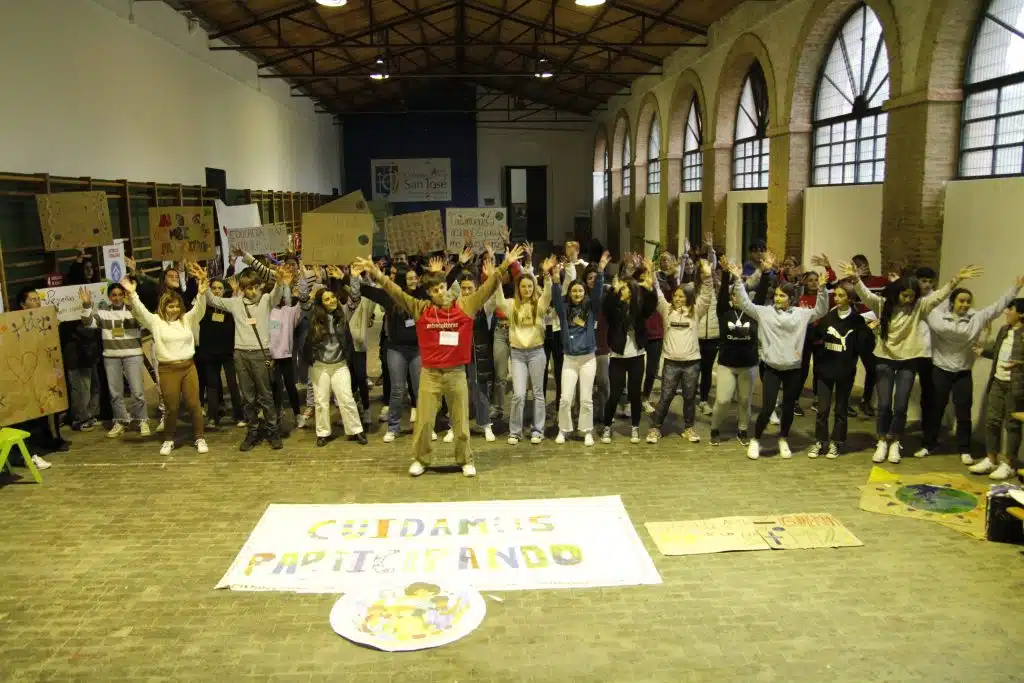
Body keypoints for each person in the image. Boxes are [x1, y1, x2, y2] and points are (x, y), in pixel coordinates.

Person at [353, 246, 524, 478]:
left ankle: (465, 459)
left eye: (442, 287)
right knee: (424, 422)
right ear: (429, 293)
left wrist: (505, 265)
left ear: (446, 286)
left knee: (460, 421)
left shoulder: (465, 305)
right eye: (435, 290)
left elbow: (488, 288)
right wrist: (375, 272)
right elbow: (395, 292)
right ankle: (421, 459)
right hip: (430, 373)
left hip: (456, 373)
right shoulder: (421, 309)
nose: (440, 292)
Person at [843, 261, 981, 464]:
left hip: (908, 361)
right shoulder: (883, 305)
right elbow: (866, 295)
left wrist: (956, 280)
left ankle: (895, 441)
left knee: (900, 406)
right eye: (905, 295)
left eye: (912, 296)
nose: (908, 299)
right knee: (884, 405)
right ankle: (882, 440)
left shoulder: (919, 307)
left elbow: (938, 296)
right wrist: (855, 279)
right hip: (884, 360)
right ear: (897, 292)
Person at [729, 260, 829, 460]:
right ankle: (756, 439)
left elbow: (821, 310)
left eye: (782, 295)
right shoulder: (765, 312)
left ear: (791, 298)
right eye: (776, 295)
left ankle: (783, 438)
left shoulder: (801, 314)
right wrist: (738, 281)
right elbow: (745, 304)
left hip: (793, 369)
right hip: (772, 368)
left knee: (789, 408)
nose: (777, 298)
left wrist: (822, 290)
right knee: (767, 408)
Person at [918, 278, 1022, 462]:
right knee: (935, 410)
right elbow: (922, 305)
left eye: (968, 301)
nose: (965, 304)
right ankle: (928, 444)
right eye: (961, 301)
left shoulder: (976, 318)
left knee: (964, 412)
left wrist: (1016, 287)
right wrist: (952, 282)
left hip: (963, 373)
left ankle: (964, 449)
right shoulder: (937, 317)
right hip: (940, 370)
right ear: (952, 302)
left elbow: (997, 307)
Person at [205, 252, 293, 451]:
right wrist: (203, 286)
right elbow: (213, 301)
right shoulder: (236, 303)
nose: (252, 292)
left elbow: (278, 292)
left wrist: (280, 281)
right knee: (248, 397)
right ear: (242, 289)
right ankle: (252, 431)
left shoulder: (266, 300)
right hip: (241, 355)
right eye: (248, 288)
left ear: (260, 286)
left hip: (261, 354)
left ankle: (272, 430)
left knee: (266, 396)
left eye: (255, 287)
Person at [120, 264, 208, 456]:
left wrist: (201, 294)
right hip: (168, 370)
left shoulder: (186, 319)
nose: (174, 309)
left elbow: (199, 310)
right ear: (164, 307)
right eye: (170, 306)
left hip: (188, 367)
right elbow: (141, 311)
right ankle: (168, 439)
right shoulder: (156, 322)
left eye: (176, 306)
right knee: (171, 408)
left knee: (194, 405)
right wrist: (133, 294)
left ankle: (199, 437)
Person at [646, 258, 713, 444]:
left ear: (689, 298)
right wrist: (652, 273)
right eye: (676, 296)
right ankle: (655, 428)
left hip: (692, 363)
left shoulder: (696, 311)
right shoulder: (667, 310)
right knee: (666, 396)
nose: (677, 299)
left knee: (689, 397)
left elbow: (706, 296)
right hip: (671, 362)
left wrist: (707, 277)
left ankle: (688, 428)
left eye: (682, 296)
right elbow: (658, 293)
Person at [496, 254, 556, 445]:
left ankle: (538, 430)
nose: (527, 289)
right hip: (518, 355)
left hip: (537, 352)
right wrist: (496, 278)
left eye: (530, 286)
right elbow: (498, 300)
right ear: (518, 288)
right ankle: (515, 431)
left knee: (538, 393)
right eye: (523, 286)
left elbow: (548, 294)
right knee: (519, 394)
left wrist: (546, 275)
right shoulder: (511, 305)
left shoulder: (539, 305)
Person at [552, 251, 609, 446]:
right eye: (574, 291)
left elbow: (598, 291)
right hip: (569, 359)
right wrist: (555, 280)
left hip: (587, 359)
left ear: (585, 293)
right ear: (570, 293)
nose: (577, 294)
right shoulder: (564, 309)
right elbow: (556, 298)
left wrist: (600, 271)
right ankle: (563, 429)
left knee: (586, 399)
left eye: (581, 291)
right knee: (565, 399)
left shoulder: (591, 308)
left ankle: (586, 431)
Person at [80, 282, 150, 437]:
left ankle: (142, 420)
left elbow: (146, 322)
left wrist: (133, 303)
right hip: (111, 357)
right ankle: (121, 421)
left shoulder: (133, 310)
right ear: (109, 297)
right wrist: (86, 305)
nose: (117, 298)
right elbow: (88, 323)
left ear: (124, 295)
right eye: (114, 295)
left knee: (137, 391)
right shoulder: (103, 312)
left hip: (133, 355)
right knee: (115, 393)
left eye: (120, 294)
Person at [808, 282, 870, 458]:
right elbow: (816, 337)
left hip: (845, 371)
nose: (836, 298)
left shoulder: (857, 321)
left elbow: (862, 346)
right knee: (822, 409)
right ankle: (820, 441)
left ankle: (837, 441)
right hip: (825, 370)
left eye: (841, 295)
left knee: (841, 410)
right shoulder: (828, 317)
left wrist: (868, 332)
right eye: (835, 295)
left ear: (850, 298)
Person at [709, 260, 767, 446]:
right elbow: (722, 293)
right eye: (733, 295)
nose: (736, 298)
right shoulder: (724, 311)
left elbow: (762, 293)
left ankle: (742, 429)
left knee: (744, 400)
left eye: (739, 295)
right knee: (723, 400)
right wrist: (726, 273)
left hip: (749, 365)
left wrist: (765, 273)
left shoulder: (753, 312)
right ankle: (715, 428)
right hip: (727, 364)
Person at [302, 286, 367, 447]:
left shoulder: (342, 315)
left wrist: (353, 279)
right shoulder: (314, 318)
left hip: (340, 365)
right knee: (321, 401)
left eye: (332, 297)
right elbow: (304, 302)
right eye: (327, 299)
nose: (331, 301)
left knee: (347, 398)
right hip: (320, 366)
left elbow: (354, 300)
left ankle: (356, 430)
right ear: (321, 303)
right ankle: (322, 433)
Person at [601, 261, 658, 444]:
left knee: (635, 394)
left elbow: (651, 307)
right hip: (618, 356)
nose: (622, 290)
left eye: (625, 288)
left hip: (637, 355)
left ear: (632, 290)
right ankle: (607, 426)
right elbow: (606, 309)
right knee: (615, 394)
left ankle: (635, 427)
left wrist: (650, 289)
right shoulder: (615, 306)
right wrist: (613, 290)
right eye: (621, 288)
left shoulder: (638, 307)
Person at [970, 298, 1024, 480]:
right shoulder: (1004, 330)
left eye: (1011, 309)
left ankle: (1009, 464)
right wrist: (983, 352)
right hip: (998, 381)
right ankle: (991, 459)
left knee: (1012, 424)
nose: (1006, 312)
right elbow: (998, 352)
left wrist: (1020, 364)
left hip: (1016, 386)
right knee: (992, 421)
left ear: (1021, 314)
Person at [196, 278, 244, 429]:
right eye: (214, 288)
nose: (217, 291)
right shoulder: (203, 307)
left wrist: (236, 292)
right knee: (212, 387)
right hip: (210, 353)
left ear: (224, 291)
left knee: (233, 385)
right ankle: (213, 418)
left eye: (220, 288)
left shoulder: (229, 306)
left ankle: (239, 416)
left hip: (228, 352)